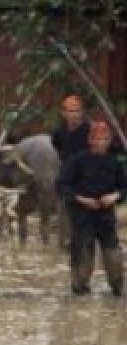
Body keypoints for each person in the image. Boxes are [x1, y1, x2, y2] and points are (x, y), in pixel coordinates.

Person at [56, 120, 125, 296]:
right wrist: (81, 199)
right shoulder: (77, 161)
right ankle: (80, 293)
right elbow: (62, 185)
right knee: (82, 260)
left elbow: (124, 187)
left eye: (105, 139)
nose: (102, 142)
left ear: (110, 141)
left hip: (106, 216)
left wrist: (114, 196)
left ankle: (116, 289)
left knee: (114, 258)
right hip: (82, 215)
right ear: (91, 140)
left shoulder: (114, 162)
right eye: (98, 139)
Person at [51, 94, 91, 165]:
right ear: (63, 113)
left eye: (77, 111)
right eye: (71, 111)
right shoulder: (59, 133)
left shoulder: (90, 132)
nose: (74, 114)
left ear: (83, 112)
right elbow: (57, 149)